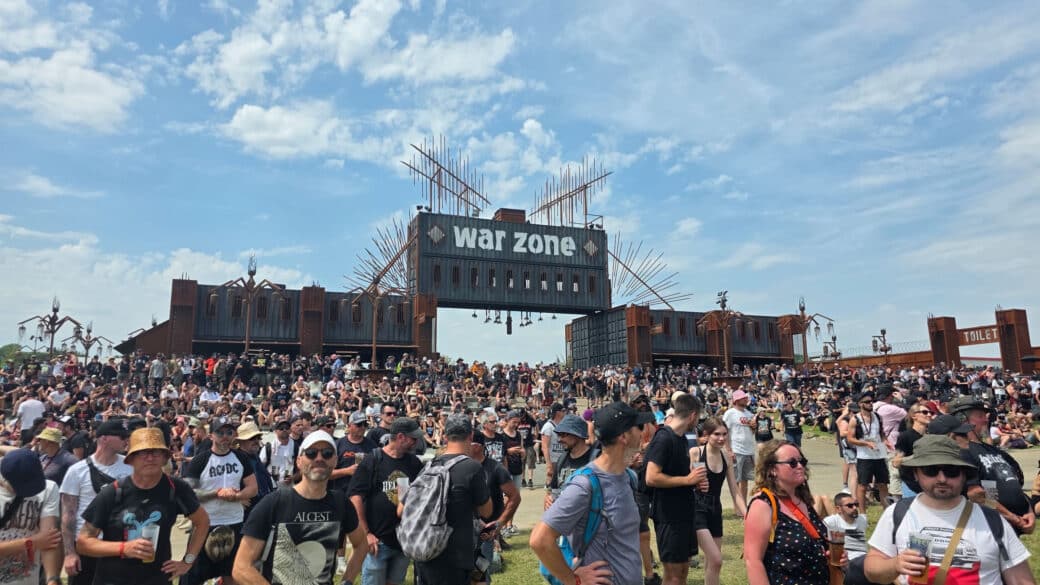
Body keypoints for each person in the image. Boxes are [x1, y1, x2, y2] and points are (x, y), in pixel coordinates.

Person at [864, 435, 1034, 585]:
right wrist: (895, 565)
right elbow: (872, 569)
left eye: (951, 471)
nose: (942, 478)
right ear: (915, 473)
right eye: (931, 470)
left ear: (963, 474)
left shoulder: (992, 520)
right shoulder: (897, 513)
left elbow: (1020, 579)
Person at [531, 401, 653, 585]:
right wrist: (573, 580)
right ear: (624, 436)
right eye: (639, 427)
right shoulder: (584, 485)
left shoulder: (629, 477)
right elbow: (540, 540)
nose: (643, 433)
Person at [77, 427, 210, 585]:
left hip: (157, 579)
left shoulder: (176, 488)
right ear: (131, 459)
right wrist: (123, 548)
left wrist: (187, 561)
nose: (150, 458)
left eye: (156, 452)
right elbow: (83, 543)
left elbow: (202, 522)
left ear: (164, 458)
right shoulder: (113, 492)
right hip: (112, 579)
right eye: (142, 453)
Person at [233, 430, 367, 585]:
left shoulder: (340, 502)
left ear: (335, 461)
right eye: (311, 453)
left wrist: (347, 581)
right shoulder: (274, 503)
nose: (319, 458)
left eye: (327, 453)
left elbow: (361, 544)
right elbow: (241, 567)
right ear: (299, 461)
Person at [744, 439, 840, 585]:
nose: (800, 466)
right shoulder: (763, 504)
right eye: (792, 463)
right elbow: (753, 561)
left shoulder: (802, 499)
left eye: (802, 461)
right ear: (772, 469)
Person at [412, 414, 491, 585]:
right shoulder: (472, 467)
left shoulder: (429, 466)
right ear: (470, 436)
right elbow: (486, 511)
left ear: (445, 436)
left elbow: (402, 510)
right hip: (455, 556)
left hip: (425, 550)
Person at [181, 418, 258, 585]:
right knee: (191, 572)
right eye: (220, 432)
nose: (225, 436)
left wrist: (236, 496)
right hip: (206, 524)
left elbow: (253, 488)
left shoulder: (241, 458)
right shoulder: (200, 460)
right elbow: (187, 493)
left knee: (233, 572)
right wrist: (216, 493)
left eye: (229, 432)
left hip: (235, 522)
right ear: (211, 436)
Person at [348, 417, 423, 585]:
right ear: (401, 437)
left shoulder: (414, 463)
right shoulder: (373, 460)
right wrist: (366, 533)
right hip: (378, 541)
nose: (416, 442)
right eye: (413, 438)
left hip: (403, 540)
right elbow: (356, 497)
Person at [59, 421, 132, 585]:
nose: (126, 440)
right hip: (87, 545)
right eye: (121, 436)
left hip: (119, 545)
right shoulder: (77, 470)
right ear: (104, 438)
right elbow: (68, 515)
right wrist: (70, 553)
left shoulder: (130, 466)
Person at [645, 393, 706, 585]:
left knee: (682, 571)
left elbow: (681, 475)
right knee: (672, 574)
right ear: (692, 415)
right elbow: (651, 477)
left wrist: (695, 481)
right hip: (668, 516)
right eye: (698, 418)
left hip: (683, 512)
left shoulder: (680, 439)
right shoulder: (664, 438)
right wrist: (687, 480)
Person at [689, 417, 746, 585]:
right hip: (697, 509)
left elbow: (735, 490)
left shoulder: (726, 456)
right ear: (706, 434)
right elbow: (689, 481)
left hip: (715, 510)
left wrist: (747, 515)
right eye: (716, 434)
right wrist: (695, 480)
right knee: (716, 559)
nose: (721, 438)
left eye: (724, 434)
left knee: (711, 564)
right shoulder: (696, 452)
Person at [0, 448, 62, 585]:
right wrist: (30, 543)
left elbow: (49, 539)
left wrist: (52, 579)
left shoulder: (49, 488)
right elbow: (41, 540)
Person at [470, 436, 520, 584]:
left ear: (478, 446)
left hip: (486, 532)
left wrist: (500, 523)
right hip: (465, 530)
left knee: (481, 573)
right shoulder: (463, 466)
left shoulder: (495, 468)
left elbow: (514, 497)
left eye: (468, 441)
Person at [845, 391, 890, 512]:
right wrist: (865, 443)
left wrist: (886, 441)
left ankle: (887, 511)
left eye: (871, 401)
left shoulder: (877, 417)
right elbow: (850, 438)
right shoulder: (855, 419)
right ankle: (862, 513)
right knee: (862, 486)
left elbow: (881, 434)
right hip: (864, 457)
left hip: (879, 455)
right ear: (860, 404)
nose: (871, 404)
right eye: (867, 402)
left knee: (883, 484)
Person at [544, 415, 596, 508]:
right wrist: (548, 499)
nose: (559, 439)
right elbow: (554, 491)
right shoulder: (562, 459)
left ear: (577, 434)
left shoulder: (596, 460)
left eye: (563, 435)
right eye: (558, 435)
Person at [233, 421, 275, 521]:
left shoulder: (255, 456)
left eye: (258, 438)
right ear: (241, 441)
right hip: (246, 515)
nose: (256, 441)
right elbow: (221, 485)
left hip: (262, 510)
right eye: (252, 438)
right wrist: (236, 500)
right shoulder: (234, 459)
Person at [722, 389, 756, 503]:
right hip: (736, 450)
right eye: (743, 398)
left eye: (746, 398)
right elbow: (724, 431)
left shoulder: (749, 414)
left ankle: (744, 504)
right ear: (736, 400)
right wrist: (728, 450)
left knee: (745, 479)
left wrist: (753, 427)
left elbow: (752, 432)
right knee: (735, 480)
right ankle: (737, 506)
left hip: (749, 450)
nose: (746, 399)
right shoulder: (730, 413)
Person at [892, 404, 933, 498]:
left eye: (931, 412)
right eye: (925, 412)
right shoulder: (905, 436)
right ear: (914, 416)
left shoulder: (931, 436)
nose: (929, 415)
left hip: (928, 483)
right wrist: (916, 456)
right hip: (911, 484)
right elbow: (896, 462)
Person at [330, 411, 377, 493]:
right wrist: (347, 471)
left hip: (364, 494)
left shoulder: (372, 445)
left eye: (365, 424)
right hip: (342, 494)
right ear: (349, 426)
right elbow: (327, 474)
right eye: (358, 424)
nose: (362, 427)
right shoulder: (338, 445)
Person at [823, 492, 868, 561]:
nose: (855, 507)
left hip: (863, 558)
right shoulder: (831, 522)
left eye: (856, 504)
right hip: (844, 559)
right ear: (838, 509)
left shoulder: (862, 519)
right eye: (850, 505)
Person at [541, 403, 567, 488]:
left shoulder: (562, 425)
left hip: (562, 458)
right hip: (553, 460)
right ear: (558, 413)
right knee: (551, 484)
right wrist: (548, 464)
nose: (565, 413)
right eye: (563, 411)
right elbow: (545, 447)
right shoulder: (548, 426)